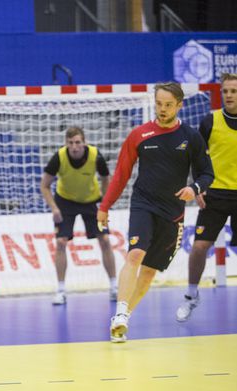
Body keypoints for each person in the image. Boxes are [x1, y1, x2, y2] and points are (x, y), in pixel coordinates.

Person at [97, 82, 214, 343]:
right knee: (135, 254)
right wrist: (104, 206)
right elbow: (121, 175)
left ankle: (122, 321)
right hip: (143, 204)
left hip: (173, 213)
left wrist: (194, 188)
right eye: (159, 104)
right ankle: (120, 314)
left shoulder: (190, 137)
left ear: (179, 105)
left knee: (149, 272)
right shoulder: (139, 135)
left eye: (168, 105)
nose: (162, 109)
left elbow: (207, 174)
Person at [177, 73, 237, 321]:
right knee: (200, 246)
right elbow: (196, 157)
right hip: (215, 193)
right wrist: (198, 187)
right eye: (225, 91)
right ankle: (192, 296)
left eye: (233, 91)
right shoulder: (210, 121)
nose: (229, 95)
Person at [40, 126, 117, 305]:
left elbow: (106, 178)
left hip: (91, 200)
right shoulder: (58, 158)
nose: (74, 146)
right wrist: (54, 208)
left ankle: (114, 287)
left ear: (84, 142)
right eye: (71, 143)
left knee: (105, 240)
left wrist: (105, 204)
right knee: (60, 242)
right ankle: (60, 290)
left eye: (78, 142)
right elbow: (44, 185)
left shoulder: (95, 156)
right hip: (65, 201)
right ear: (66, 144)